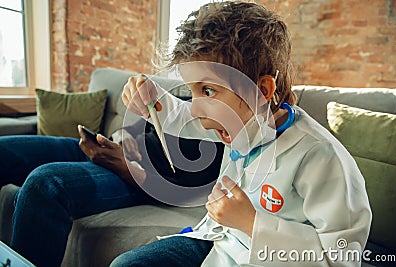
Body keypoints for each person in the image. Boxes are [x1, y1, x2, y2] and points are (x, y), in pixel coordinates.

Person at [114, 1, 372, 266]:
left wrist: (252, 224)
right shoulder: (241, 124)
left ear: (261, 91)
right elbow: (183, 118)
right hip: (218, 243)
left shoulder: (320, 155)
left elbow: (342, 258)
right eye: (193, 91)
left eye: (208, 91)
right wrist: (150, 100)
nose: (197, 111)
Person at [0, 118, 224, 266]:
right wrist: (124, 137)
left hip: (134, 174)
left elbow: (184, 190)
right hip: (110, 150)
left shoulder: (221, 127)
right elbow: (136, 126)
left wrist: (126, 167)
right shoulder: (180, 99)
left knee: (46, 182)